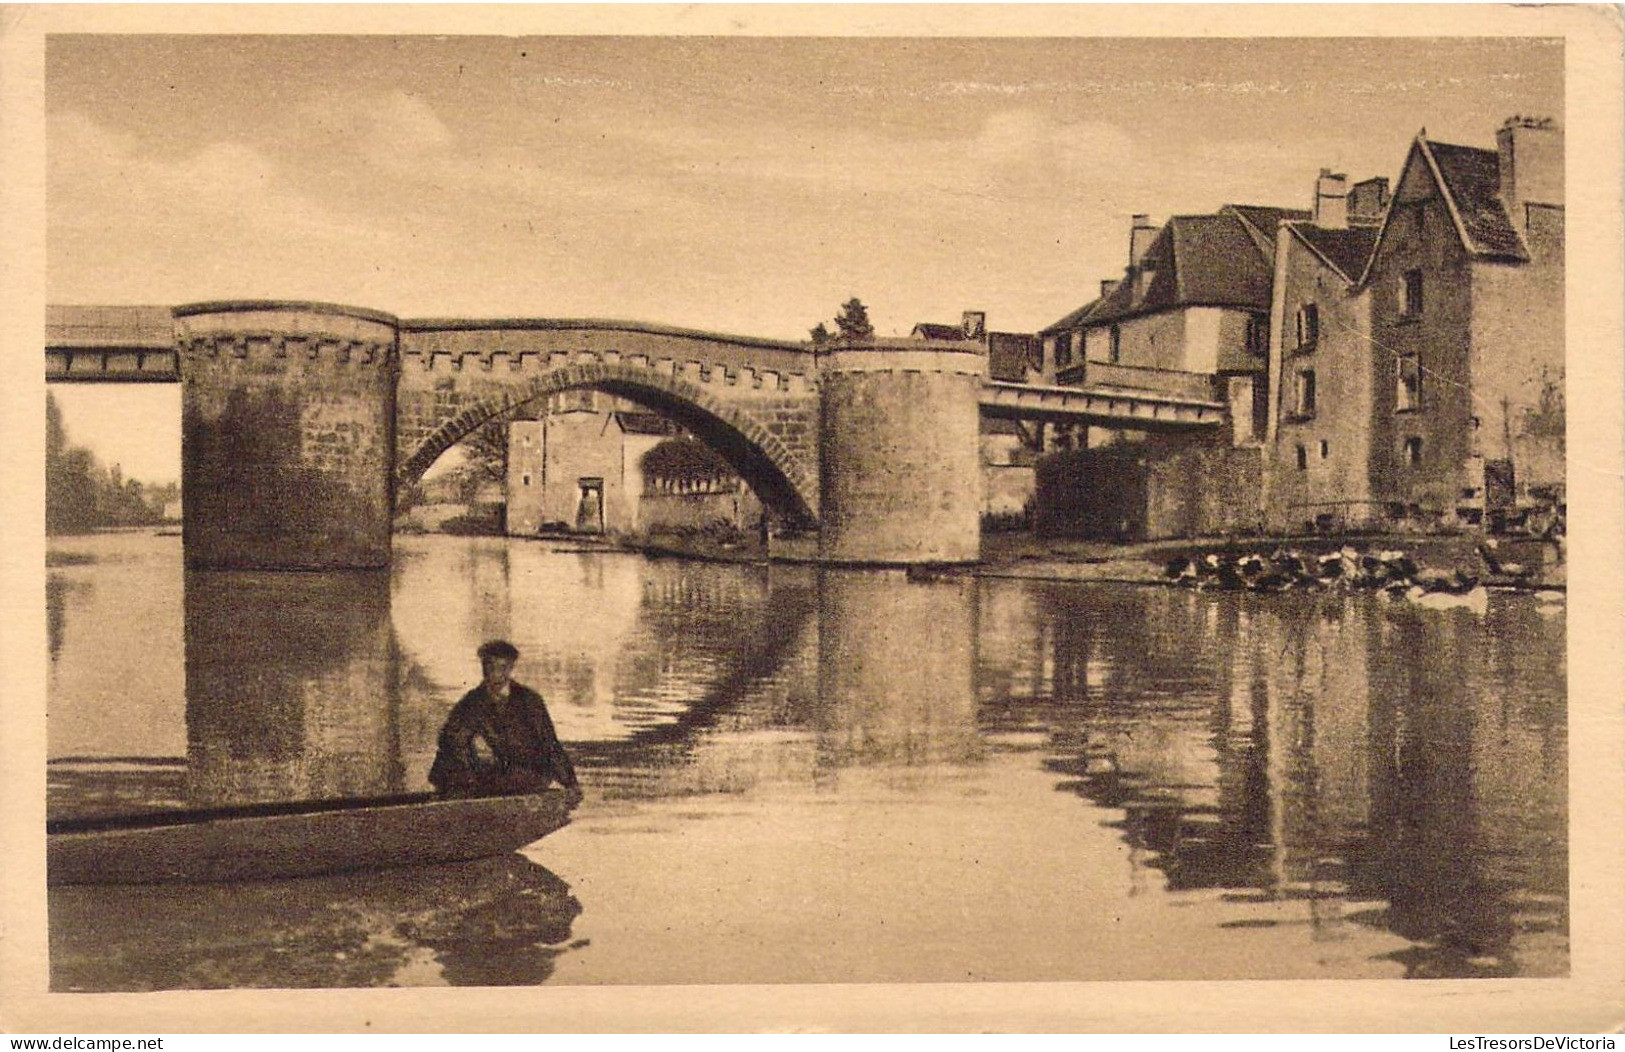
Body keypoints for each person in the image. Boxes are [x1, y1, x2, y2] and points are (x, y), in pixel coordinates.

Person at [429, 640, 581, 798]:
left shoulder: (529, 700)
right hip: (498, 772)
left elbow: (550, 744)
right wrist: (468, 768)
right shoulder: (474, 700)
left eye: (502, 668)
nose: (495, 674)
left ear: (511, 668)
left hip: (531, 771)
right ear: (483, 667)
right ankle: (448, 799)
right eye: (490, 667)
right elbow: (452, 738)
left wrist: (570, 783)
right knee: (450, 759)